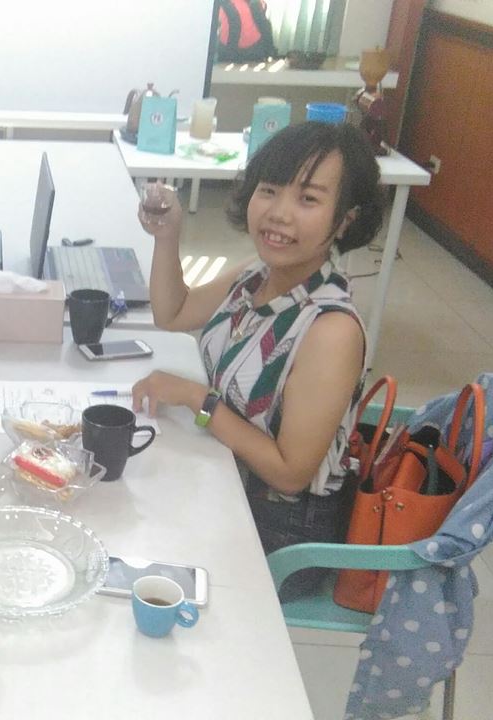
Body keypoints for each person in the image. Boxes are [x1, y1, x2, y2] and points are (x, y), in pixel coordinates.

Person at [130, 122, 385, 597]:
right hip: (225, 476)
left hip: (279, 529)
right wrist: (167, 236)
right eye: (269, 190)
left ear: (344, 220)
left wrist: (197, 399)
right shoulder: (256, 274)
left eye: (307, 199)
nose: (279, 214)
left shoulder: (330, 330)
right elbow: (174, 312)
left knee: (125, 525)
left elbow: (290, 473)